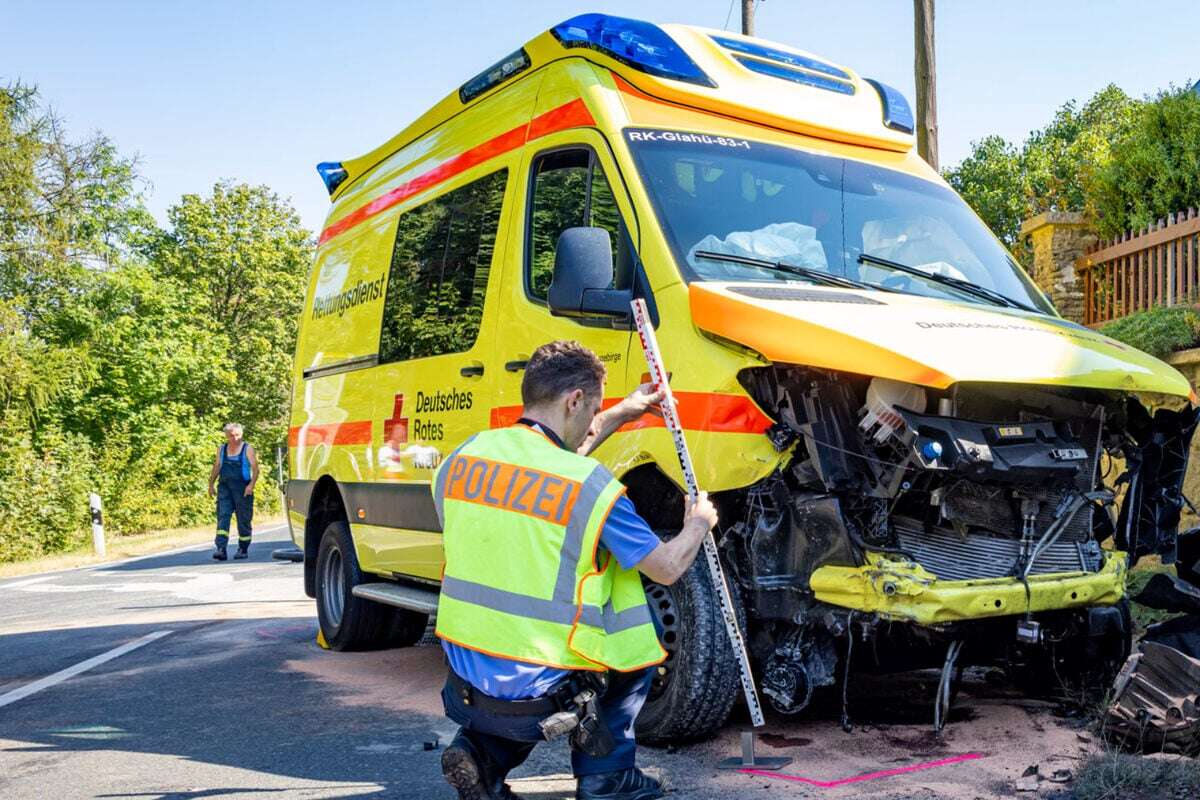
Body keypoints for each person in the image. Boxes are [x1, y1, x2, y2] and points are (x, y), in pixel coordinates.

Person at [432, 341, 719, 800]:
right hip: (540, 675)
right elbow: (666, 569)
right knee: (630, 649)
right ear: (574, 401)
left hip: (465, 663)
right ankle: (607, 777)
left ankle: (482, 755)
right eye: (594, 410)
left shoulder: (464, 457)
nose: (593, 420)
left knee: (514, 664)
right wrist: (698, 525)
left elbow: (550, 459)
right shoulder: (590, 487)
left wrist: (623, 412)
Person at [207, 422, 259, 561]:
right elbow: (217, 466)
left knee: (243, 518)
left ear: (241, 435)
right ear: (226, 436)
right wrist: (211, 484)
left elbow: (255, 468)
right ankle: (221, 548)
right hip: (225, 488)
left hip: (243, 488)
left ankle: (243, 548)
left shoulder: (247, 449)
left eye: (237, 435)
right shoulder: (222, 449)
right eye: (231, 435)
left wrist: (251, 486)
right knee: (223, 516)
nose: (235, 438)